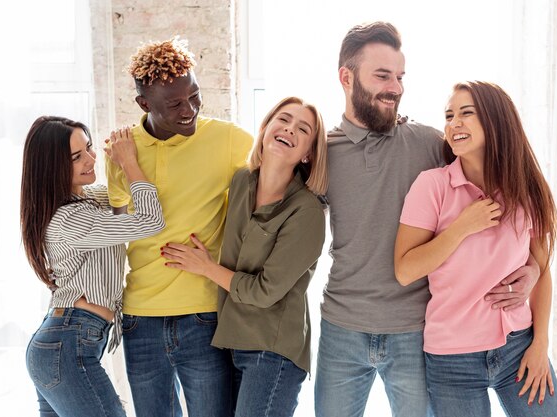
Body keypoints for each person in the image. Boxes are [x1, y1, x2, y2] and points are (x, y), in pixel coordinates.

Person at [314, 22, 541, 417]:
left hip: (415, 330)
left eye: (400, 77)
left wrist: (535, 267)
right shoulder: (321, 153)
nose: (396, 88)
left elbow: (502, 191)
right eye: (382, 75)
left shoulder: (429, 143)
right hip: (342, 327)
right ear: (346, 77)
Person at [394, 81, 557, 417]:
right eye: (449, 115)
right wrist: (461, 227)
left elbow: (542, 271)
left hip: (519, 344)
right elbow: (405, 269)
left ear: (495, 120)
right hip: (452, 359)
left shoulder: (525, 187)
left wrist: (540, 343)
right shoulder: (432, 186)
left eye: (466, 113)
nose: (453, 122)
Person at [105, 37, 253, 417]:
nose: (189, 110)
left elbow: (285, 167)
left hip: (204, 314)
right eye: (174, 104)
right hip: (141, 317)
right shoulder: (123, 151)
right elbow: (116, 230)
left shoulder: (228, 140)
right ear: (144, 104)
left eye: (194, 96)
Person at [159, 96, 327, 417]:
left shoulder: (306, 212)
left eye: (302, 129)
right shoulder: (240, 182)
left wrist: (206, 267)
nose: (289, 129)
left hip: (273, 352)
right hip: (230, 342)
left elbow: (265, 291)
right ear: (265, 129)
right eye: (284, 119)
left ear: (307, 153)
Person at [21, 116, 165, 417]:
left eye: (88, 148)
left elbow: (118, 200)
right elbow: (150, 220)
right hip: (66, 344)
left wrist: (120, 162)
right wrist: (129, 163)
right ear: (52, 167)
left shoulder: (89, 199)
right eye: (77, 157)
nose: (90, 159)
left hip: (61, 344)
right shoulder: (70, 219)